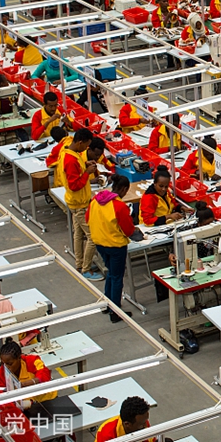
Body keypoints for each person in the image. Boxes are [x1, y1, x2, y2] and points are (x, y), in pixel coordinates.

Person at [88, 175, 137, 321]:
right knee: (117, 277)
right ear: (124, 189)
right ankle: (115, 312)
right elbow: (128, 230)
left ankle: (107, 303)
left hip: (99, 242)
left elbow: (87, 218)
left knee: (110, 272)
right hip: (115, 246)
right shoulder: (119, 206)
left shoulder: (95, 200)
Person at [56, 129, 102, 281]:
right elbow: (75, 185)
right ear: (80, 142)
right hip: (79, 203)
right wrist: (87, 172)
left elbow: (75, 169)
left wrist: (84, 164)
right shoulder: (70, 160)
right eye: (86, 145)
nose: (86, 149)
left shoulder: (68, 152)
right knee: (93, 236)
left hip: (74, 201)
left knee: (78, 234)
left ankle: (79, 263)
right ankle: (86, 269)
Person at [0, 340, 57, 408]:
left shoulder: (33, 361)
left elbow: (44, 375)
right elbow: (1, 394)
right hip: (27, 405)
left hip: (47, 400)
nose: (7, 367)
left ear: (19, 357)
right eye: (4, 363)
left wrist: (25, 384)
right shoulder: (1, 373)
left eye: (10, 364)